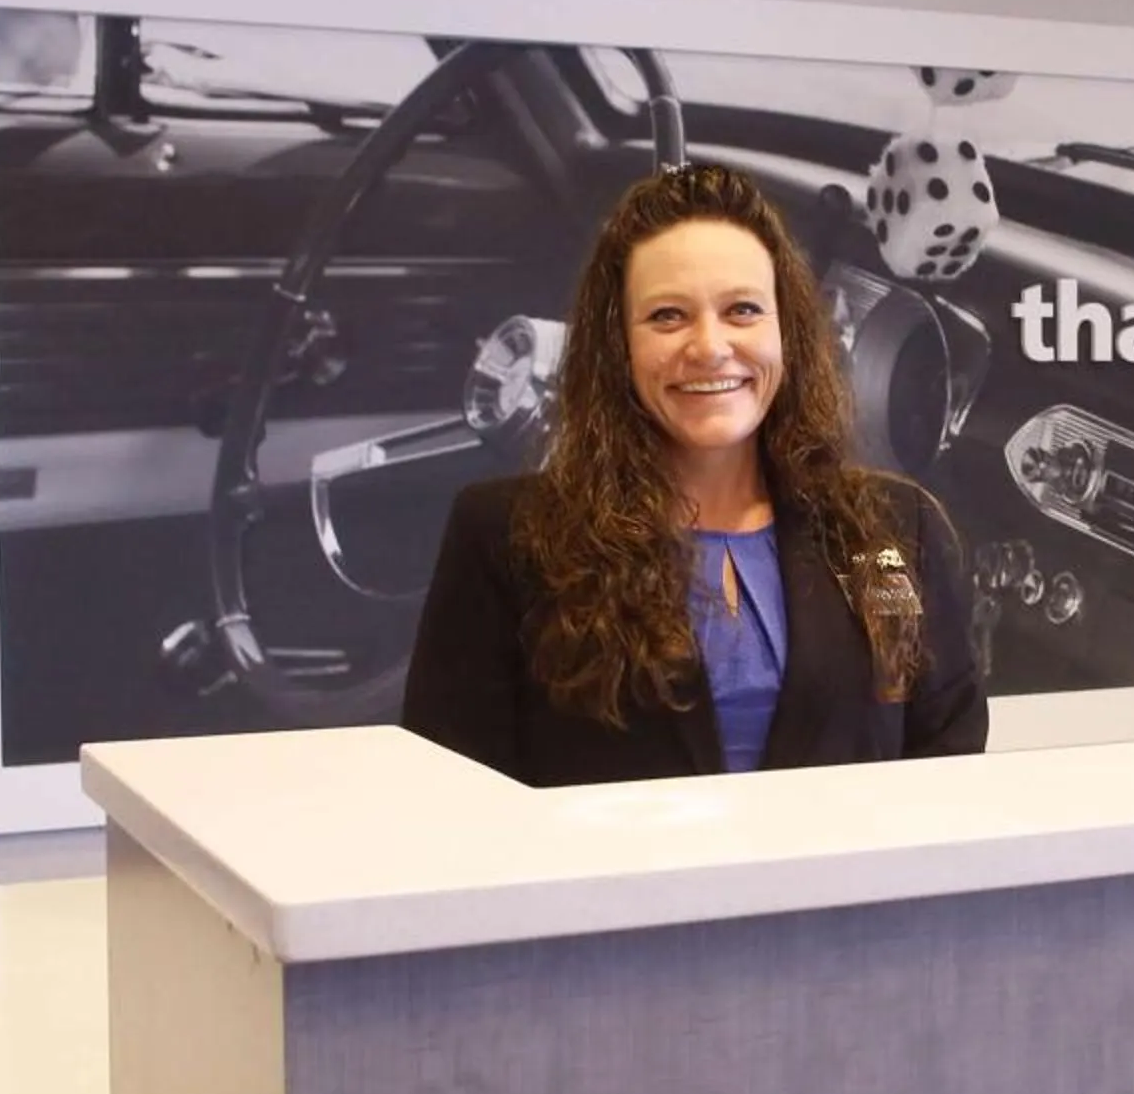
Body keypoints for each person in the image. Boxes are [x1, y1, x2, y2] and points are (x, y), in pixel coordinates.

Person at [401, 162, 988, 786]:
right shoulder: (504, 537)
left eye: (742, 310)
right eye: (667, 316)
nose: (709, 347)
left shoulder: (894, 532)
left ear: (786, 332)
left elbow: (944, 754)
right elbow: (454, 793)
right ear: (617, 347)